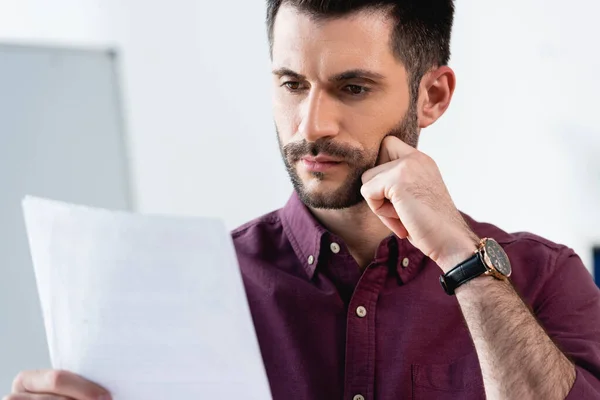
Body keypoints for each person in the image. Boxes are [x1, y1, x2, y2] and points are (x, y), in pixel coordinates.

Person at [6, 1, 600, 399]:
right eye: (292, 84)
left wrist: (463, 260)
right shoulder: (184, 289)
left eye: (353, 87)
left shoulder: (546, 281)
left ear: (433, 96)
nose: (310, 126)